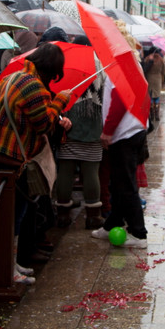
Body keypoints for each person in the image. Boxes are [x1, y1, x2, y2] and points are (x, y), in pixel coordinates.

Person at [0, 42, 72, 269]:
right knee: (15, 217)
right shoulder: (34, 87)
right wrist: (60, 101)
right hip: (15, 159)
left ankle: (8, 263)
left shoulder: (11, 77)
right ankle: (9, 268)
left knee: (3, 217)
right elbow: (43, 125)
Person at [92, 75, 149, 247]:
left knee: (126, 185)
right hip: (130, 131)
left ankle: (138, 232)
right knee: (117, 184)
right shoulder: (127, 68)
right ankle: (112, 224)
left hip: (125, 134)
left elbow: (120, 100)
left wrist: (108, 130)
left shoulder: (119, 70)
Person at [54, 78, 104, 229]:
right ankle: (92, 216)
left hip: (69, 127)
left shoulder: (70, 65)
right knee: (91, 172)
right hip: (94, 128)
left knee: (65, 171)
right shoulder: (102, 68)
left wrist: (61, 117)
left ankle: (63, 215)